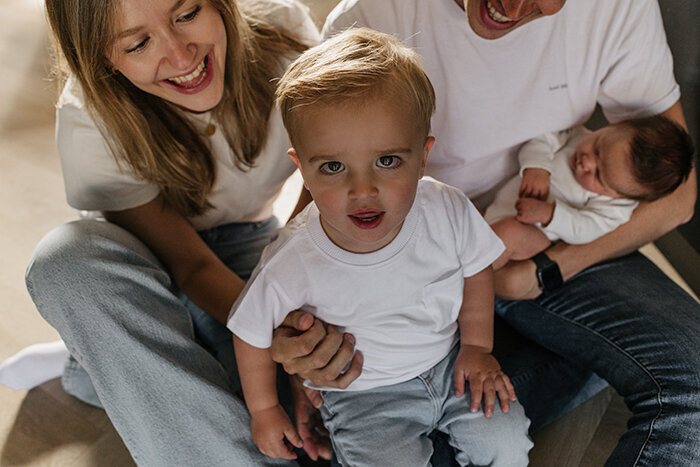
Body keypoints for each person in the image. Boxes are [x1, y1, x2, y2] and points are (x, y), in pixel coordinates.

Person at [269, 0, 700, 465]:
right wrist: (301, 358)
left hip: (543, 246)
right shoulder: (375, 17)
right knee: (359, 442)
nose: (511, 7)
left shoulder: (618, 8)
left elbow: (678, 195)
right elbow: (326, 185)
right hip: (415, 259)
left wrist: (547, 268)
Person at [17, 0, 334, 464]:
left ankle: (97, 360)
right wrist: (266, 328)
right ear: (102, 57)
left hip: (250, 245)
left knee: (298, 413)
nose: (182, 57)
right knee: (63, 263)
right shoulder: (89, 122)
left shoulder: (286, 34)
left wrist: (282, 311)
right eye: (139, 43)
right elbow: (191, 264)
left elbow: (327, 170)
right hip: (145, 262)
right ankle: (97, 350)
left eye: (187, 14)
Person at [228, 28, 532, 466]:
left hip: (452, 367)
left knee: (505, 443)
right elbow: (249, 332)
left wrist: (477, 348)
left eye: (387, 161)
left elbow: (476, 269)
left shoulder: (445, 207)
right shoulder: (292, 258)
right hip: (364, 397)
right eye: (333, 167)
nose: (363, 189)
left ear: (423, 156)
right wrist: (264, 409)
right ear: (303, 170)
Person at [485, 116, 694, 270]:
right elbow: (543, 138)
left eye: (599, 175)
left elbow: (584, 229)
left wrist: (550, 215)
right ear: (612, 127)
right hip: (496, 209)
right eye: (597, 147)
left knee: (507, 235)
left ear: (619, 196)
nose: (587, 162)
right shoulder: (575, 135)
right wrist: (537, 167)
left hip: (533, 234)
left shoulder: (616, 210)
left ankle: (467, 281)